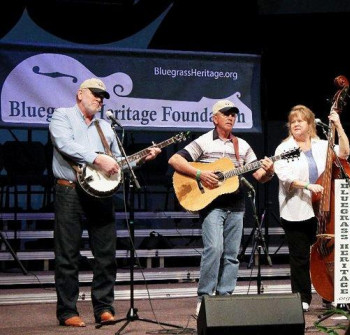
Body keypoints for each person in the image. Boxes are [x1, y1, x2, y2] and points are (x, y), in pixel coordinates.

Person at [49, 78, 160, 327]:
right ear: (80, 94)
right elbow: (64, 145)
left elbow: (117, 161)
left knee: (106, 253)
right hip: (70, 192)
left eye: (102, 96)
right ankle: (67, 311)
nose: (99, 99)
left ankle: (104, 307)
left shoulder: (105, 127)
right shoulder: (62, 116)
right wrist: (98, 159)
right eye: (95, 94)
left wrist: (141, 159)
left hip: (101, 195)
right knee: (67, 254)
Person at [168, 99, 275, 316]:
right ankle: (205, 299)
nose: (230, 117)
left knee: (231, 255)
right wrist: (200, 174)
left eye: (233, 114)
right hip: (211, 205)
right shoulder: (204, 141)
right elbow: (175, 160)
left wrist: (269, 171)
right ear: (214, 118)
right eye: (226, 114)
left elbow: (258, 176)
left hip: (236, 205)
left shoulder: (242, 145)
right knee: (214, 249)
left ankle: (225, 298)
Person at [273, 104, 350, 312]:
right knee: (299, 257)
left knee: (326, 254)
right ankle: (302, 298)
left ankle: (329, 294)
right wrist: (308, 186)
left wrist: (338, 126)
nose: (296, 124)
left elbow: (344, 153)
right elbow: (286, 177)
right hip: (296, 209)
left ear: (309, 124)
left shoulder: (321, 144)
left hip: (322, 210)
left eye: (300, 120)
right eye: (293, 121)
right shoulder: (283, 148)